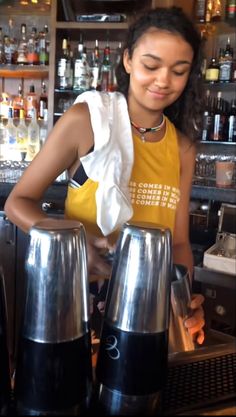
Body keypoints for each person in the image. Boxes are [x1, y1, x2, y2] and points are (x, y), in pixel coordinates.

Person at [4, 6, 205, 348]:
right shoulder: (88, 120)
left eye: (178, 71)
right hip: (77, 297)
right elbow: (17, 204)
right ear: (128, 60)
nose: (162, 80)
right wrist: (79, 241)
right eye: (150, 65)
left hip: (149, 307)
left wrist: (183, 299)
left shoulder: (182, 148)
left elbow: (180, 243)